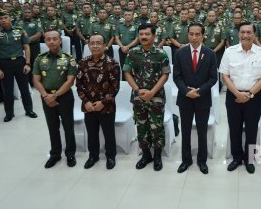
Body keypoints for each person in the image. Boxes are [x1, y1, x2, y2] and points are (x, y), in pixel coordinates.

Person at [219, 22, 261, 174]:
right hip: (233, 96)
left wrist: (248, 95)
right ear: (238, 34)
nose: (245, 35)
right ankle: (236, 157)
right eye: (243, 32)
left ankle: (249, 159)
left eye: (249, 32)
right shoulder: (230, 52)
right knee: (234, 127)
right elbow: (225, 75)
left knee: (251, 128)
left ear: (254, 35)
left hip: (253, 97)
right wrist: (237, 93)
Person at [124, 24, 170, 171]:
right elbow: (127, 73)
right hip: (138, 97)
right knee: (142, 126)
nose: (143, 37)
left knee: (157, 127)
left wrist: (152, 92)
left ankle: (157, 156)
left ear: (154, 36)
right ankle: (146, 155)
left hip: (156, 98)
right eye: (141, 34)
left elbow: (165, 75)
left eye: (147, 34)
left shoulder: (161, 54)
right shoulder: (132, 53)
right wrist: (137, 90)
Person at [173, 23, 218, 174]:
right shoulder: (180, 53)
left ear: (202, 35)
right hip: (185, 98)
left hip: (202, 98)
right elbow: (176, 77)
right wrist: (186, 91)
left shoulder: (210, 54)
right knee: (185, 130)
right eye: (191, 34)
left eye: (197, 34)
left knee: (202, 130)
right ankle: (186, 160)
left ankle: (202, 160)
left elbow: (213, 78)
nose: (194, 37)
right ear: (188, 35)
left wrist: (200, 90)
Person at [33, 30, 77, 168]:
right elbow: (36, 80)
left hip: (64, 97)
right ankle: (55, 154)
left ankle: (70, 153)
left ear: (60, 40)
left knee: (68, 126)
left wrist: (56, 95)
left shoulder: (69, 58)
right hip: (46, 97)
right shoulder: (40, 58)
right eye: (48, 39)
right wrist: (46, 95)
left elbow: (70, 81)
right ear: (45, 41)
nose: (51, 41)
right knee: (52, 126)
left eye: (54, 39)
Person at [76, 34, 120, 169]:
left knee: (108, 132)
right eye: (92, 43)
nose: (95, 46)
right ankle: (93, 155)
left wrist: (103, 102)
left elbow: (115, 87)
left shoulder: (112, 63)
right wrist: (86, 102)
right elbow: (79, 85)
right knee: (92, 132)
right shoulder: (82, 63)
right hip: (89, 106)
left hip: (106, 106)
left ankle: (111, 156)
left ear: (104, 45)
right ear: (88, 45)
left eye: (98, 43)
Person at [0, 10, 37, 122]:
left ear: (10, 18)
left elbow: (26, 48)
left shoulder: (20, 31)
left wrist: (28, 64)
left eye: (5, 17)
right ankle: (9, 113)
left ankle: (29, 110)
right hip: (5, 64)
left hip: (20, 62)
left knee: (24, 89)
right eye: (1, 18)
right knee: (7, 91)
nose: (3, 20)